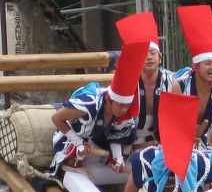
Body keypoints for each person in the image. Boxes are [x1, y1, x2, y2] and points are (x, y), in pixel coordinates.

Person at [48, 41, 150, 176]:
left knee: (127, 141)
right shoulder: (89, 104)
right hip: (74, 134)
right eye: (121, 105)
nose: (124, 109)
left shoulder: (125, 113)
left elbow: (117, 135)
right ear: (109, 99)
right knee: (72, 155)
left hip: (100, 138)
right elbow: (56, 117)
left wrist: (117, 157)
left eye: (127, 105)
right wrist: (77, 142)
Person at [173, 5, 212, 146]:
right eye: (208, 63)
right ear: (197, 67)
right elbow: (171, 124)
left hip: (209, 150)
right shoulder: (179, 86)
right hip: (179, 146)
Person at [115, 12, 174, 145]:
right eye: (144, 54)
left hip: (162, 144)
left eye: (153, 53)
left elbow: (178, 120)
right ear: (136, 60)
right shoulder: (128, 85)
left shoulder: (172, 84)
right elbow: (117, 120)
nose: (149, 57)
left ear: (160, 58)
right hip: (130, 143)